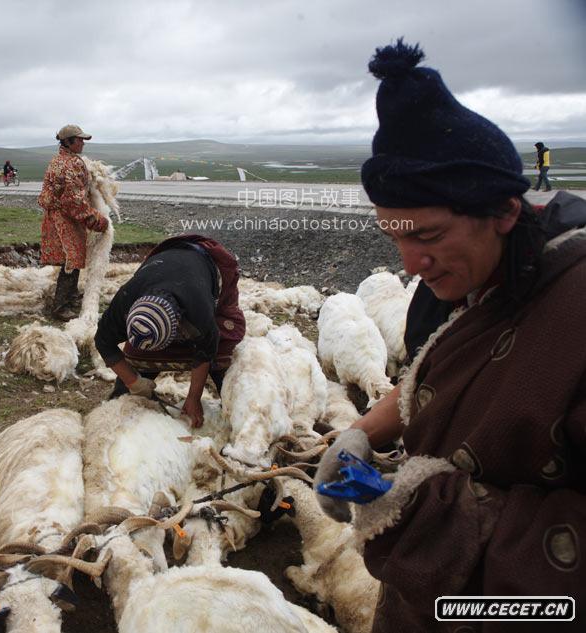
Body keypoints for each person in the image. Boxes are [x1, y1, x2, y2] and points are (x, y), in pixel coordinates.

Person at [313, 40, 586, 632]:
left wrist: (434, 510)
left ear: (505, 212)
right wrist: (360, 432)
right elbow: (434, 380)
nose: (412, 265)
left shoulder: (575, 310)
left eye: (430, 236)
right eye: (396, 239)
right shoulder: (451, 289)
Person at [93, 235, 246, 428]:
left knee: (223, 354)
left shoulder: (198, 308)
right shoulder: (124, 301)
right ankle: (123, 396)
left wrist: (193, 398)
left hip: (202, 268)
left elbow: (206, 348)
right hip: (163, 271)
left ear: (179, 324)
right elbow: (103, 341)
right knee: (136, 361)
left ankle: (234, 406)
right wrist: (134, 382)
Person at [38, 124, 109, 320]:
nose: (82, 143)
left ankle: (70, 297)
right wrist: (96, 220)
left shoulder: (57, 160)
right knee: (72, 259)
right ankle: (60, 307)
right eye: (79, 140)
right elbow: (74, 202)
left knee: (72, 259)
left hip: (55, 217)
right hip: (66, 220)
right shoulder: (72, 164)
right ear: (68, 142)